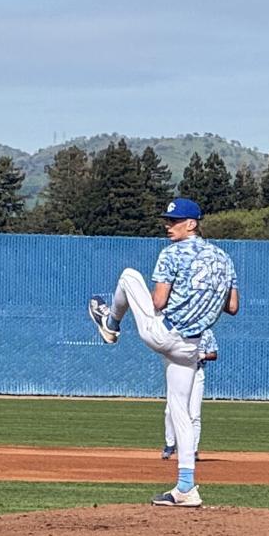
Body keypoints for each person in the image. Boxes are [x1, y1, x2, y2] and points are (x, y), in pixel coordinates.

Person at [88, 198, 238, 507]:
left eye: (174, 221)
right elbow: (232, 307)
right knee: (180, 411)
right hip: (192, 346)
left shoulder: (171, 253)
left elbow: (157, 302)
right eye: (167, 221)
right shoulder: (224, 259)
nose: (168, 226)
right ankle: (186, 487)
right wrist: (202, 296)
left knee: (129, 276)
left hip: (165, 333)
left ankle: (110, 322)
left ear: (192, 224)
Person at [163, 329, 218, 462]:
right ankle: (170, 445)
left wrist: (203, 356)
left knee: (194, 414)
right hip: (179, 371)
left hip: (197, 372)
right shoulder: (179, 329)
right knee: (170, 411)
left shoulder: (207, 332)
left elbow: (214, 354)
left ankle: (193, 450)